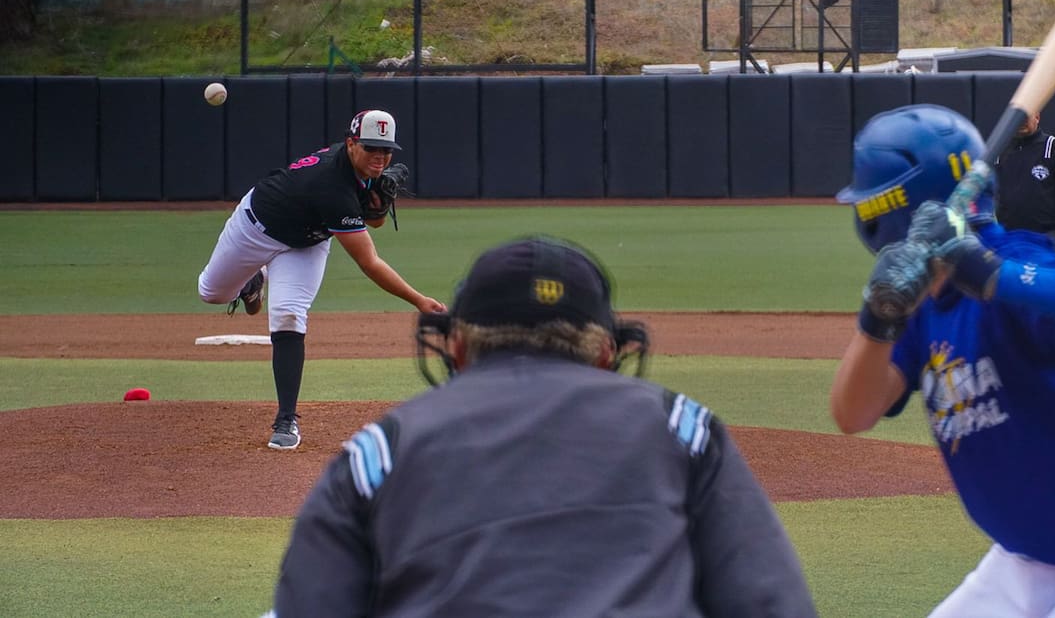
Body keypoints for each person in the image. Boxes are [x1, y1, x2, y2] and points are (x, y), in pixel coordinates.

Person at [263, 236, 818, 618]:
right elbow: (771, 603)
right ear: (606, 351)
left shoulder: (380, 448)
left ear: (456, 345)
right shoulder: (682, 428)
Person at [831, 104, 1055, 617]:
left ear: (889, 210)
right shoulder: (919, 307)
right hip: (1025, 565)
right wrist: (879, 318)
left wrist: (994, 278)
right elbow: (854, 412)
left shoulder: (1019, 267)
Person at [198, 109, 446, 450]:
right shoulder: (331, 183)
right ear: (350, 143)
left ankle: (286, 420)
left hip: (307, 243)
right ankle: (252, 281)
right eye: (371, 147)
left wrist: (375, 207)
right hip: (255, 228)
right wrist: (419, 300)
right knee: (211, 293)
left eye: (386, 150)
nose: (380, 157)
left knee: (288, 315)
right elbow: (369, 262)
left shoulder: (365, 171)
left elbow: (372, 222)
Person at [993, 111, 1055, 254]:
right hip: (1009, 237)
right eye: (1018, 118)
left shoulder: (1052, 147)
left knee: (1049, 276)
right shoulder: (1000, 150)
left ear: (1037, 117)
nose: (1022, 122)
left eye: (1026, 117)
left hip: (1046, 237)